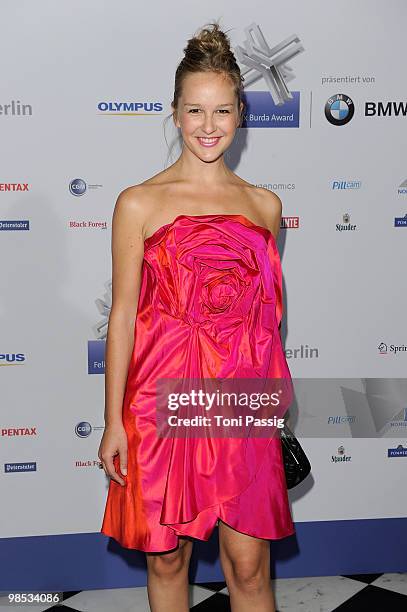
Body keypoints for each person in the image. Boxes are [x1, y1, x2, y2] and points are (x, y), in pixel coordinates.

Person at [98, 20, 295, 612]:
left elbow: (263, 325)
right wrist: (112, 422)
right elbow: (124, 319)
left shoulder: (266, 206)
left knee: (251, 568)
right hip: (158, 402)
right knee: (167, 559)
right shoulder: (138, 203)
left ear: (241, 114)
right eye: (195, 111)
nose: (208, 127)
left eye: (223, 111)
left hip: (239, 403)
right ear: (176, 113)